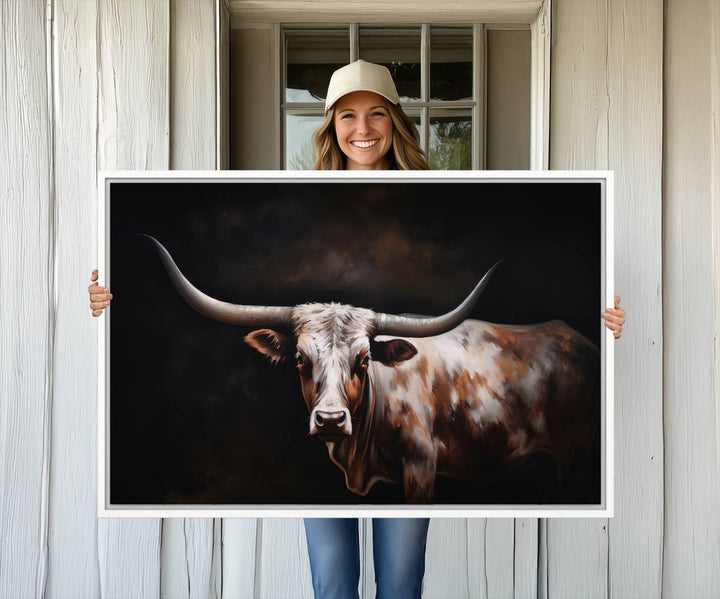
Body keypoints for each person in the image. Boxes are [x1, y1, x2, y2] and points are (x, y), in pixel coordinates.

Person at [88, 60, 626, 599]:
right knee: (332, 583)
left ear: (395, 122)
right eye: (347, 116)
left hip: (409, 395)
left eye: (376, 115)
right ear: (330, 126)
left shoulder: (442, 198)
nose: (362, 130)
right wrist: (112, 301)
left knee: (400, 582)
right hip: (338, 400)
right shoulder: (294, 204)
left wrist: (601, 313)